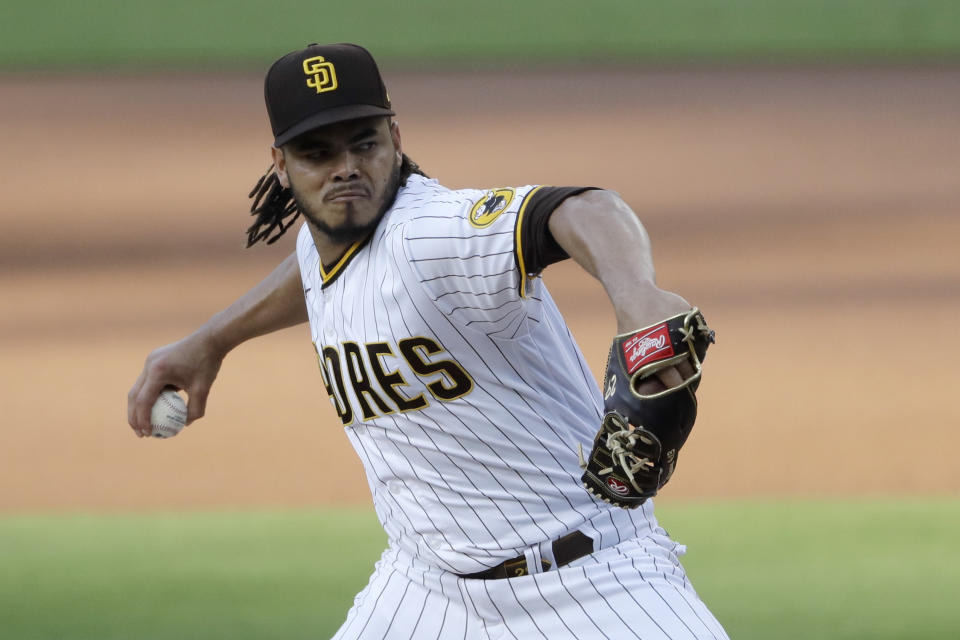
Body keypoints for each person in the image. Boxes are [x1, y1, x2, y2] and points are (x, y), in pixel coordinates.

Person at [127, 42, 729, 640]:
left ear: (395, 134)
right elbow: (317, 272)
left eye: (364, 143)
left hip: (591, 584)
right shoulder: (330, 235)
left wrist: (637, 297)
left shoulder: (433, 233)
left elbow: (582, 209)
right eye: (317, 153)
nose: (345, 168)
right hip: (424, 588)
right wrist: (213, 340)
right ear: (281, 166)